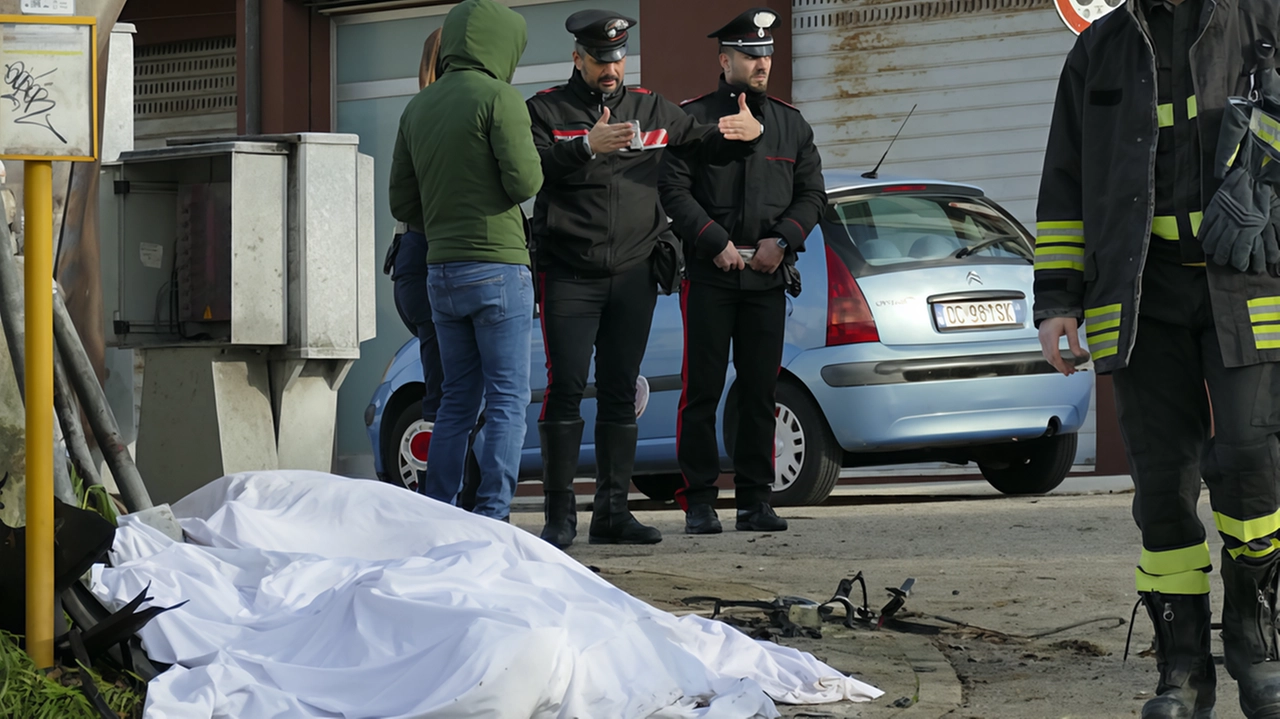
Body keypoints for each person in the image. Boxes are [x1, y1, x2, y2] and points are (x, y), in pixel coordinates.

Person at [1034, 1, 1280, 716]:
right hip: (1139, 295)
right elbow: (1065, 182)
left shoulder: (1264, 19)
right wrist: (1057, 301)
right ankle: (1181, 669)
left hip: (1247, 281)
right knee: (1162, 488)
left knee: (1251, 461)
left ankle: (1258, 648)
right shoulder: (1100, 50)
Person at [526, 9, 764, 549]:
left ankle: (612, 514)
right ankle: (559, 517)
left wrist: (746, 136)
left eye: (617, 59)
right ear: (577, 58)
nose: (611, 70)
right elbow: (529, 169)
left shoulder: (651, 107)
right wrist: (586, 146)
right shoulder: (545, 109)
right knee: (565, 388)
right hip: (569, 273)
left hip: (634, 272)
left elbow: (704, 145)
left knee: (619, 391)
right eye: (599, 60)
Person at [658, 8, 825, 537]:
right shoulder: (696, 118)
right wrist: (714, 243)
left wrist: (782, 241)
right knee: (702, 391)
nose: (762, 63)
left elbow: (812, 195)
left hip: (767, 275)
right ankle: (700, 502)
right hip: (710, 274)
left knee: (760, 391)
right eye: (751, 56)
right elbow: (673, 191)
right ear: (724, 59)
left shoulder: (791, 124)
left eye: (767, 54)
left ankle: (756, 499)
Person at [388, 0, 542, 522]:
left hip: (440, 272)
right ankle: (494, 515)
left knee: (456, 400)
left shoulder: (419, 107)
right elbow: (525, 182)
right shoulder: (500, 97)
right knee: (506, 399)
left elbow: (402, 205)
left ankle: (441, 513)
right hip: (498, 267)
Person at [384, 29, 445, 488]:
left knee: (443, 383)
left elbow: (401, 203)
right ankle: (450, 499)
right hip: (433, 255)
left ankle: (444, 497)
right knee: (456, 387)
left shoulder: (415, 113)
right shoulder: (444, 115)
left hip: (411, 258)